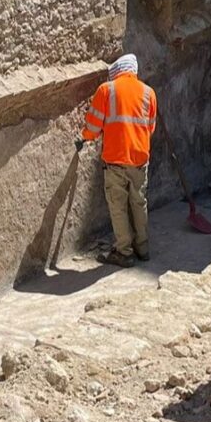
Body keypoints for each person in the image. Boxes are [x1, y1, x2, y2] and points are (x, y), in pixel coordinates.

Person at [76, 54, 158, 268]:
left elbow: (93, 128)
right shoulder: (149, 93)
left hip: (116, 160)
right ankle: (143, 248)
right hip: (140, 159)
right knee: (139, 203)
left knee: (118, 206)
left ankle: (124, 252)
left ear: (116, 72)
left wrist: (84, 137)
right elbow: (150, 128)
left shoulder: (107, 90)